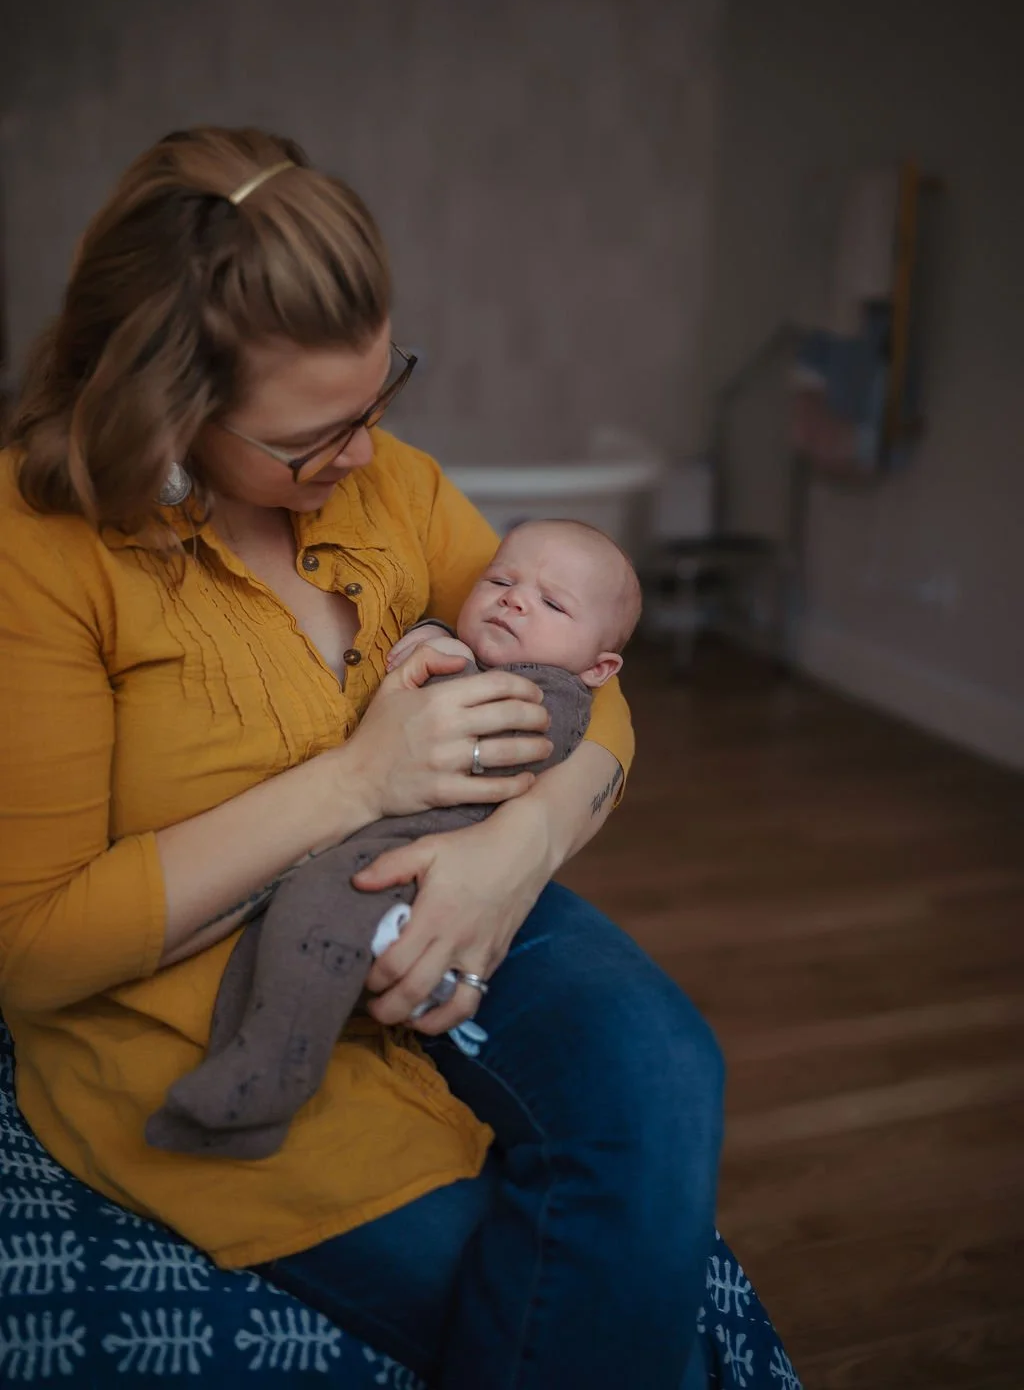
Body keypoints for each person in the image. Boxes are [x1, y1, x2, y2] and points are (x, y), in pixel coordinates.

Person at [0, 126, 795, 1389]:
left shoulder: (395, 490)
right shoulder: (41, 557)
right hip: (192, 1005)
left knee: (659, 1064)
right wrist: (360, 781)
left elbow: (598, 685)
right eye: (314, 437)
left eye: (380, 398)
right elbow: (35, 949)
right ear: (165, 406)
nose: (364, 455)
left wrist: (515, 851)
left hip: (442, 887)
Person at [146, 518, 642, 1158]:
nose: (515, 599)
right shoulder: (482, 659)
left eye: (551, 603)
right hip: (371, 846)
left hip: (416, 867)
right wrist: (437, 634)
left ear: (600, 668)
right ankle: (242, 1064)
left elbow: (472, 741)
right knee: (275, 940)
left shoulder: (554, 698)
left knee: (313, 916)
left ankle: (276, 1078)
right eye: (500, 580)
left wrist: (436, 659)